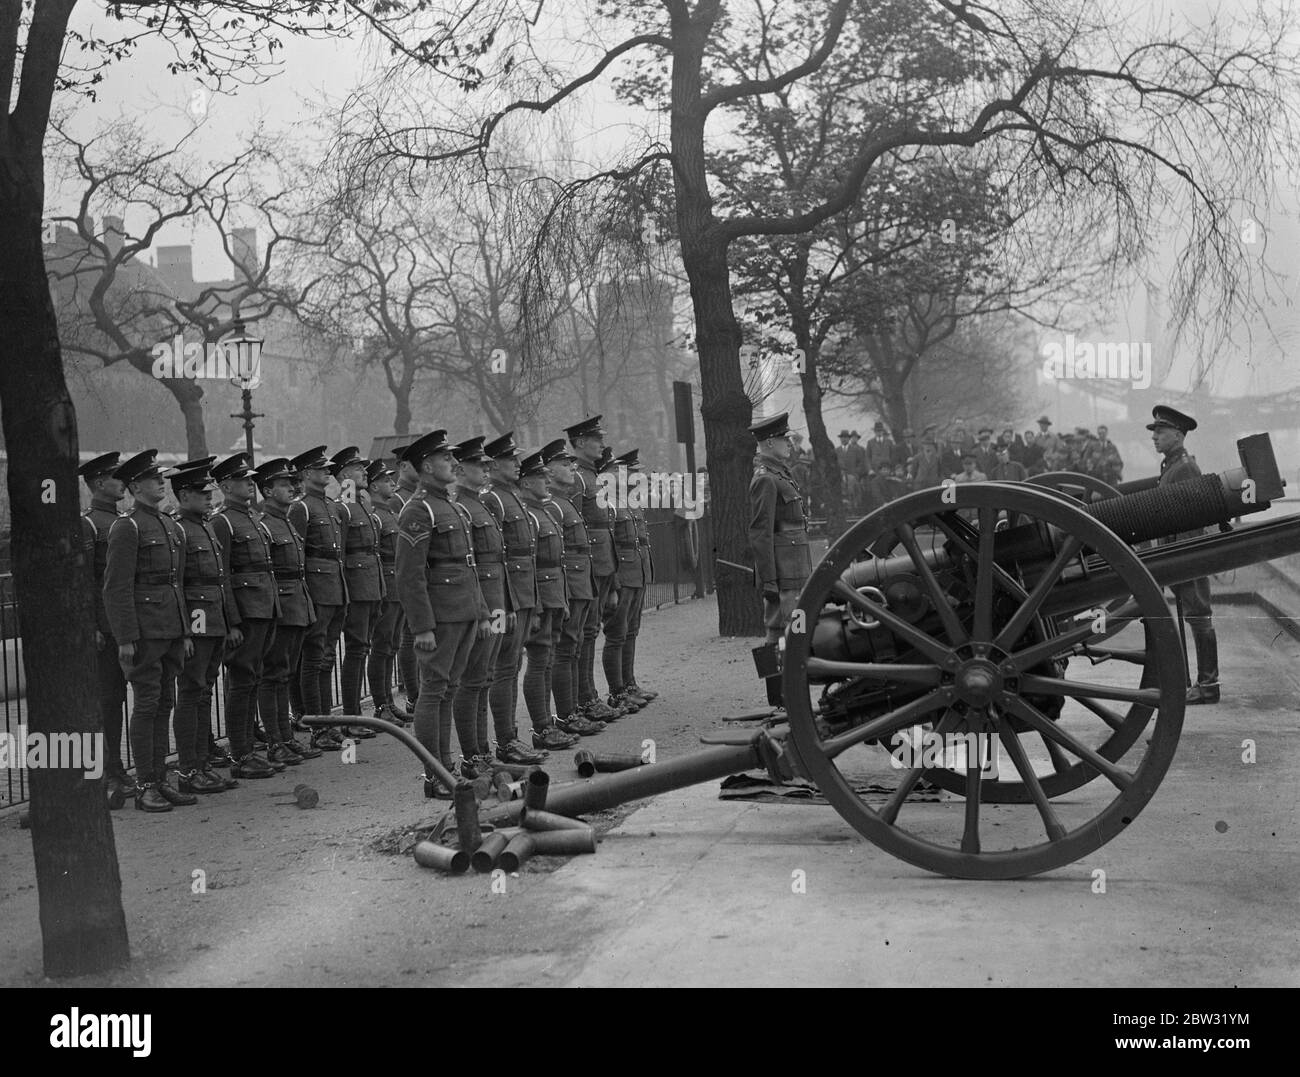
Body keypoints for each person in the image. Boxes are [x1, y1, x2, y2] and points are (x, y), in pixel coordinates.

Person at [394, 430, 493, 796]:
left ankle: (447, 768)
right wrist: (422, 626)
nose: (453, 463)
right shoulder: (418, 510)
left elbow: (469, 565)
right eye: (445, 458)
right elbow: (409, 575)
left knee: (449, 689)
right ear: (426, 466)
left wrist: (481, 611)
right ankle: (435, 775)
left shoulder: (450, 505)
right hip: (440, 617)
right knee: (433, 691)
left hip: (463, 612)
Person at [102, 450, 193, 812]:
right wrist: (124, 638)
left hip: (169, 629)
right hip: (144, 632)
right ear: (136, 486)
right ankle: (144, 785)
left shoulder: (169, 525)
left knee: (164, 703)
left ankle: (158, 779)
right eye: (155, 479)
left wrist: (185, 630)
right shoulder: (128, 526)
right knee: (148, 704)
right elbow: (116, 587)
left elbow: (177, 583)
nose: (161, 483)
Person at [450, 436, 546, 772]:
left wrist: (516, 603)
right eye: (483, 464)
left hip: (503, 601)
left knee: (500, 669)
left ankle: (501, 742)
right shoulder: (482, 502)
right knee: (483, 674)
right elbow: (473, 562)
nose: (514, 465)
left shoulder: (500, 499)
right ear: (461, 469)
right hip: (489, 605)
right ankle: (486, 749)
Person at [169, 458, 242, 795]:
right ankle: (189, 769)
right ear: (184, 495)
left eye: (210, 490)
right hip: (198, 621)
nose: (209, 496)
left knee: (203, 691)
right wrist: (185, 631)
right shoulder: (181, 529)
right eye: (202, 492)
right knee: (192, 691)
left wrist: (228, 623)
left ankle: (201, 762)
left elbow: (221, 580)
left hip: (213, 619)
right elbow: (177, 585)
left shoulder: (207, 526)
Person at [212, 453, 285, 777]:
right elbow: (222, 574)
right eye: (243, 480)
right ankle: (240, 754)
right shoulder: (223, 521)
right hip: (246, 611)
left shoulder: (252, 517)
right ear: (226, 485)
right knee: (241, 681)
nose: (249, 484)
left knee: (253, 677)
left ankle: (249, 748)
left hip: (264, 607)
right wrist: (232, 622)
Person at [519, 448, 595, 744]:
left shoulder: (548, 508)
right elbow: (531, 562)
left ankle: (562, 717)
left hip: (556, 590)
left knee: (557, 654)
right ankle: (544, 726)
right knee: (540, 659)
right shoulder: (541, 511)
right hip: (541, 594)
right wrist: (538, 604)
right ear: (527, 482)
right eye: (539, 475)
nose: (546, 478)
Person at [1149, 405, 1219, 704]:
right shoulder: (1172, 465)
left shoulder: (1185, 467)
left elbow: (1192, 516)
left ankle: (1208, 685)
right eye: (1155, 433)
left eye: (1161, 432)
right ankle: (1200, 683)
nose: (1155, 438)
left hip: (1187, 555)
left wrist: (1183, 559)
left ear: (1178, 435)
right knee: (1194, 616)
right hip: (1179, 554)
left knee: (1199, 616)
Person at [255, 458, 322, 764]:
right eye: (284, 484)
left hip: (297, 605)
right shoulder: (266, 524)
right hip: (281, 608)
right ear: (267, 490)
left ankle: (286, 736)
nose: (293, 488)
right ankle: (275, 740)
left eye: (293, 483)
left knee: (285, 674)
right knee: (273, 675)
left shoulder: (283, 520)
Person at [79, 451, 135, 805]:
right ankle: (108, 769)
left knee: (119, 702)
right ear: (99, 483)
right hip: (103, 629)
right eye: (117, 477)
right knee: (108, 701)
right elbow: (81, 581)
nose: (123, 483)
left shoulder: (120, 521)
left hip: (123, 626)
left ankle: (116, 767)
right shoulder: (88, 526)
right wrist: (90, 627)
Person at [540, 438, 605, 736]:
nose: (571, 467)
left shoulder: (564, 502)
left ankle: (579, 705)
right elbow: (556, 553)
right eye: (565, 464)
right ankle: (567, 713)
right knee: (566, 649)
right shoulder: (553, 505)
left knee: (576, 644)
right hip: (570, 581)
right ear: (550, 472)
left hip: (581, 580)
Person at [287, 446, 348, 752]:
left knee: (325, 658)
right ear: (307, 474)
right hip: (316, 586)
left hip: (335, 586)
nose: (327, 473)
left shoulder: (333, 506)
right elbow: (297, 556)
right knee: (313, 658)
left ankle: (327, 723)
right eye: (322, 469)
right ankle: (316, 726)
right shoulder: (302, 508)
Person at [566, 416, 624, 723]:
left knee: (590, 632)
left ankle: (589, 696)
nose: (602, 443)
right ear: (579, 444)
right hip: (587, 564)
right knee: (583, 634)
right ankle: (584, 699)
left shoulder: (593, 476)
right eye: (595, 439)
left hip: (601, 563)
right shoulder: (577, 478)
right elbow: (575, 525)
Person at [748, 412, 812, 666]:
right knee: (787, 633)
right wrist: (769, 580)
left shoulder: (781, 474)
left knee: (790, 631)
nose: (789, 443)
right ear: (769, 443)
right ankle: (786, 695)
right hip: (784, 574)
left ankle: (786, 695)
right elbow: (761, 532)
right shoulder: (767, 479)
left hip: (794, 570)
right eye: (783, 439)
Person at [330, 446, 383, 741]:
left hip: (371, 587)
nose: (364, 471)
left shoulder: (361, 505)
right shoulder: (343, 508)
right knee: (355, 651)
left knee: (362, 650)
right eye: (357, 468)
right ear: (343, 475)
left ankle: (356, 715)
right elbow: (342, 555)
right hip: (357, 590)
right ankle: (351, 716)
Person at [601, 448, 649, 715]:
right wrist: (615, 583)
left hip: (636, 574)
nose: (634, 476)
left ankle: (629, 685)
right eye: (630, 471)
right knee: (617, 634)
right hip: (623, 576)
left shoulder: (629, 501)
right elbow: (611, 546)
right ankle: (617, 691)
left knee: (630, 631)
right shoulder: (608, 503)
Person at [364, 458, 407, 727]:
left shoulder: (389, 512)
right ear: (373, 486)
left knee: (392, 645)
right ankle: (380, 704)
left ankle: (389, 703)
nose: (392, 483)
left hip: (397, 585)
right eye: (386, 480)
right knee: (380, 647)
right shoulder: (376, 516)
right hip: (386, 587)